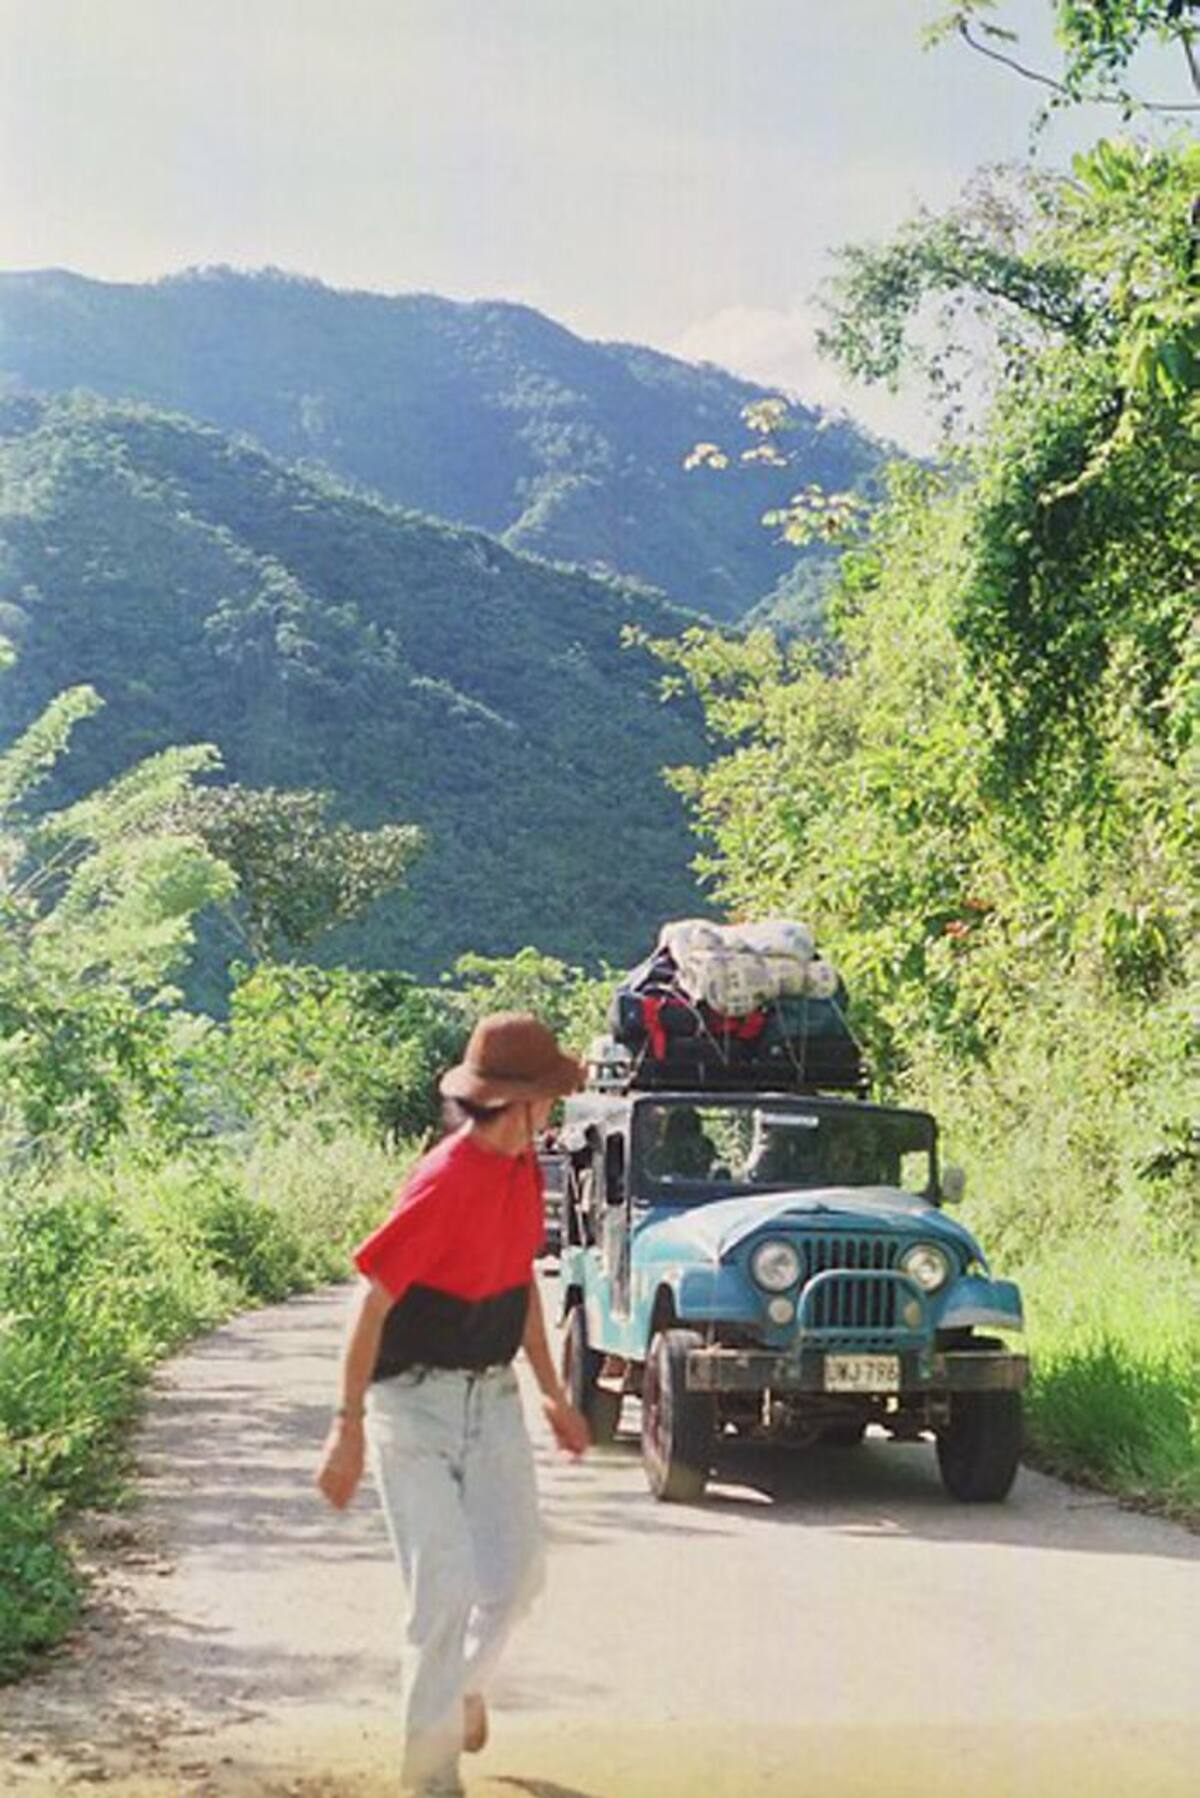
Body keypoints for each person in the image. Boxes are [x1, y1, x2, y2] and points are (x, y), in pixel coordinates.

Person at [315, 1012, 591, 1798]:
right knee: (443, 1593)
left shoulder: (524, 1168)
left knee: (517, 1579)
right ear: (520, 1104)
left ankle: (463, 1688)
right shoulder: (443, 1180)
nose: (556, 1111)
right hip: (413, 1406)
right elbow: (371, 1305)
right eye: (549, 1099)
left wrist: (553, 1394)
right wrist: (348, 1429)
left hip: (493, 1399)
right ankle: (429, 1780)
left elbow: (518, 1290)